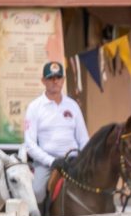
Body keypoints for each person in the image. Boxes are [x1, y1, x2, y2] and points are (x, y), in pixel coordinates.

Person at [23, 61, 90, 206]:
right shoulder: (34, 107)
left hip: (74, 161)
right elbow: (30, 144)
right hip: (47, 163)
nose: (55, 81)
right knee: (36, 192)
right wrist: (51, 161)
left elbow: (84, 139)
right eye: (50, 78)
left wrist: (84, 159)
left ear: (63, 80)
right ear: (43, 81)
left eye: (58, 77)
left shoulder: (73, 105)